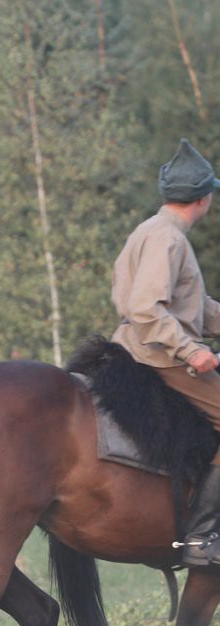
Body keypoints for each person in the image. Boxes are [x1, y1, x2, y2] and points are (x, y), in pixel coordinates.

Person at [111, 138, 220, 567]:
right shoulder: (168, 241)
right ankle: (201, 537)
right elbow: (145, 308)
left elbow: (195, 306)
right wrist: (192, 352)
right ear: (203, 198)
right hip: (159, 355)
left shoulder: (154, 230)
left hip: (150, 346)